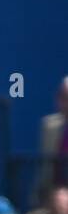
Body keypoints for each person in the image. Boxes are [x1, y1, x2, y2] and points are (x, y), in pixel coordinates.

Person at [35, 77, 68, 205]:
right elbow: (44, 168)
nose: (65, 103)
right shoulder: (49, 126)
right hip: (52, 197)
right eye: (63, 97)